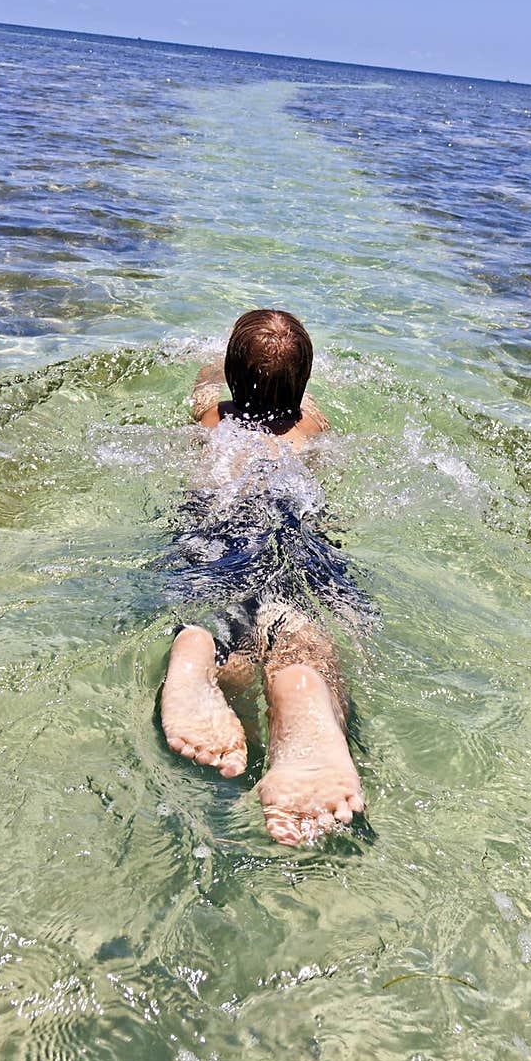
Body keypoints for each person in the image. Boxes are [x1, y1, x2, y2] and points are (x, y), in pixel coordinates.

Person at [159, 309, 369, 846]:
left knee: (225, 605)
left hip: (221, 527)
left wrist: (212, 368)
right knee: (300, 619)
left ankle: (200, 644)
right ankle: (301, 686)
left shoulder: (213, 419)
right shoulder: (312, 424)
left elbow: (209, 389)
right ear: (303, 388)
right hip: (295, 524)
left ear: (230, 378)